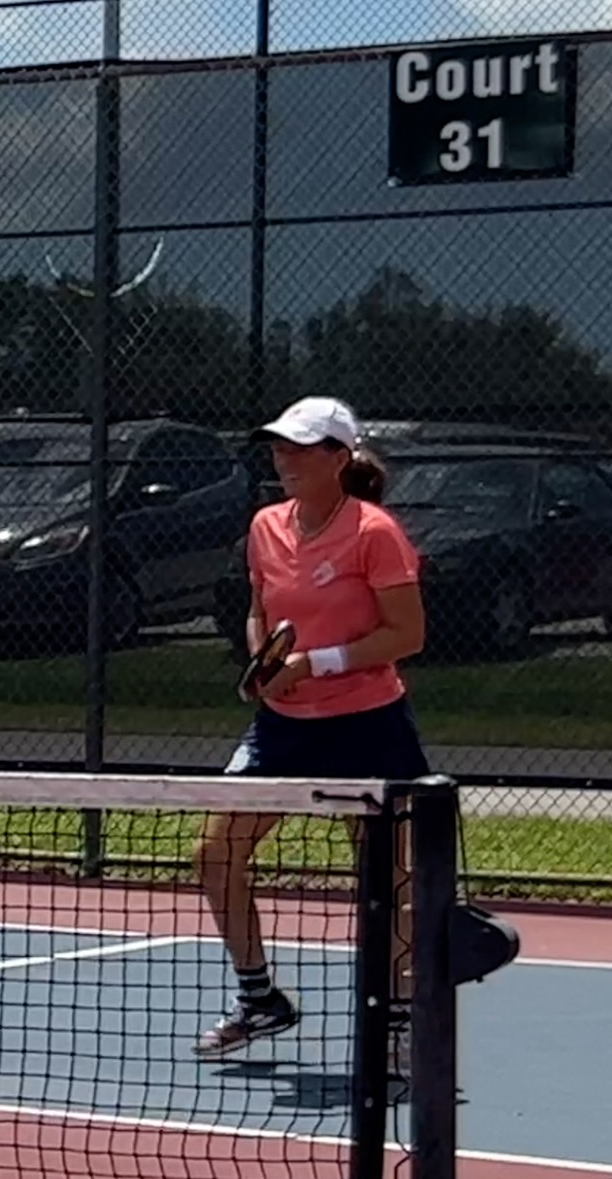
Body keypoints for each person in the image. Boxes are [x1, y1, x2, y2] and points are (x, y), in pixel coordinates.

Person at [194, 396, 430, 1077]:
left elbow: (405, 634)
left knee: (388, 879)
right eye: (278, 447)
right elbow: (260, 613)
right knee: (213, 854)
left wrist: (316, 663)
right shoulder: (265, 525)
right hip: (283, 728)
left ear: (339, 458)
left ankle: (398, 1022)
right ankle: (258, 998)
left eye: (300, 448)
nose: (283, 459)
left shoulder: (374, 532)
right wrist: (265, 662)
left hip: (368, 725)